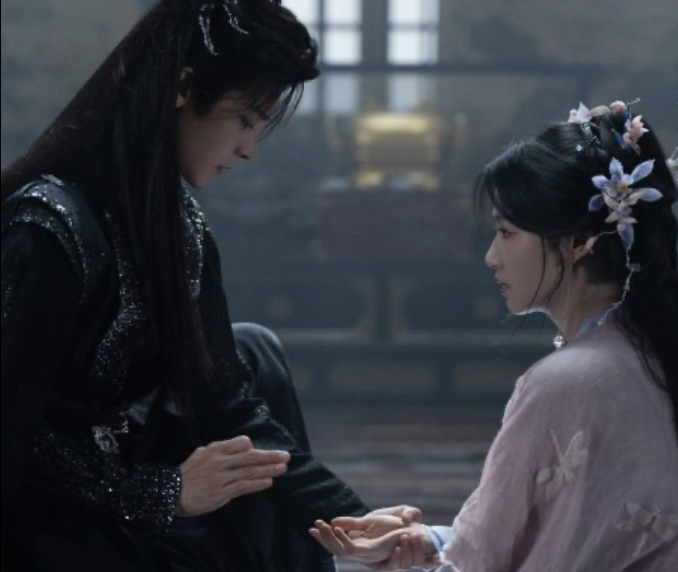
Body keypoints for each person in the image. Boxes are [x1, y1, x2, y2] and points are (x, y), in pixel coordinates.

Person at [1, 1, 421, 570]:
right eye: (244, 120)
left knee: (252, 351)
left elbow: (224, 402)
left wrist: (348, 518)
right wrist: (161, 492)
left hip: (133, 480)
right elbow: (12, 431)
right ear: (182, 88)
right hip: (44, 507)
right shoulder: (50, 227)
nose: (249, 148)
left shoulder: (180, 226)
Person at [310, 100, 678, 571]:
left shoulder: (565, 381)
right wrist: (428, 541)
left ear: (576, 242)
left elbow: (478, 563)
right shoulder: (648, 349)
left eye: (506, 232)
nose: (491, 256)